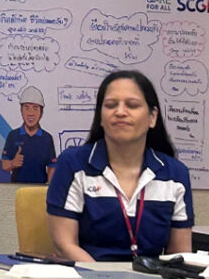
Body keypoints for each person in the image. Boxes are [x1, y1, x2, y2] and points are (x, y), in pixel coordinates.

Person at [46, 70, 193, 262]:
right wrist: (104, 277)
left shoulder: (175, 174)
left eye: (132, 105)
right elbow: (64, 245)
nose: (120, 112)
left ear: (152, 117)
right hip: (88, 276)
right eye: (110, 105)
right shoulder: (73, 164)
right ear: (100, 117)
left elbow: (179, 255)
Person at [1, 85, 57, 183]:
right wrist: (13, 163)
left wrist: (49, 188)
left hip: (39, 189)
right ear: (21, 111)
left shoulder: (47, 138)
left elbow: (52, 167)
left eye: (35, 108)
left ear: (41, 112)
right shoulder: (13, 136)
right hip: (17, 189)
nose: (31, 113)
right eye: (26, 108)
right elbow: (4, 165)